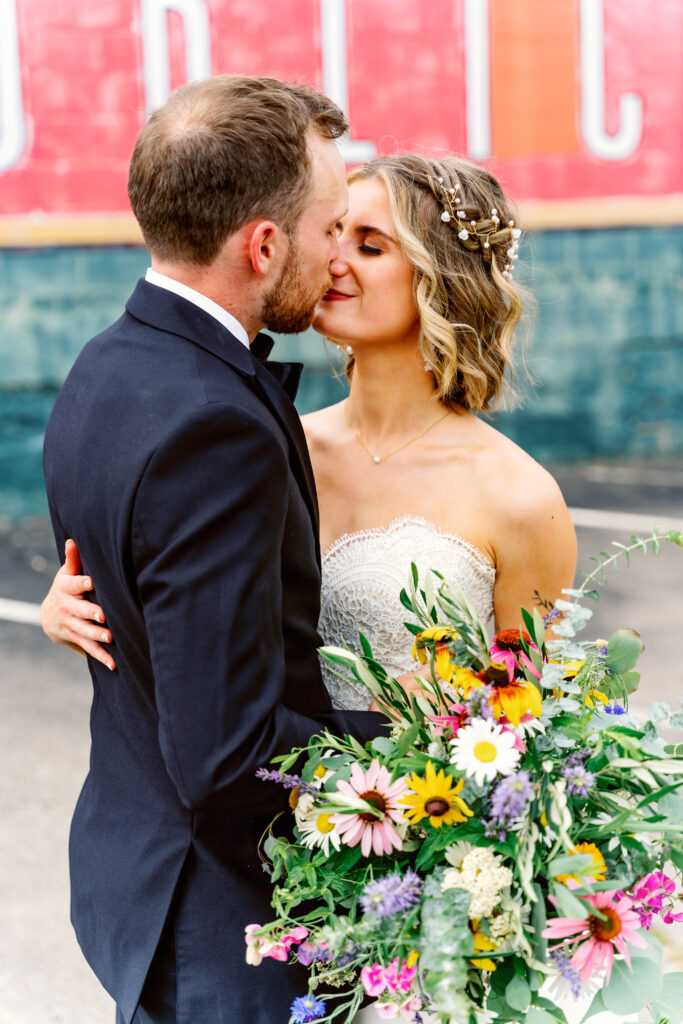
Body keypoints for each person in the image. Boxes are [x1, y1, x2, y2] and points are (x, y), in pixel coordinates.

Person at [42, 149, 577, 1020]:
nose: (334, 260)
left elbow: (523, 725)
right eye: (334, 232)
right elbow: (193, 621)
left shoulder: (517, 498)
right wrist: (72, 606)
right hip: (229, 870)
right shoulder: (256, 438)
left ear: (437, 277)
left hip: (400, 879)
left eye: (370, 245)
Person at [41, 75, 398, 1024]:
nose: (337, 256)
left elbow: (140, 579)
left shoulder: (106, 365)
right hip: (222, 926)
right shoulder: (213, 425)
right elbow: (226, 752)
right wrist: (435, 765)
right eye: (330, 229)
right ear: (264, 243)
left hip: (135, 865)